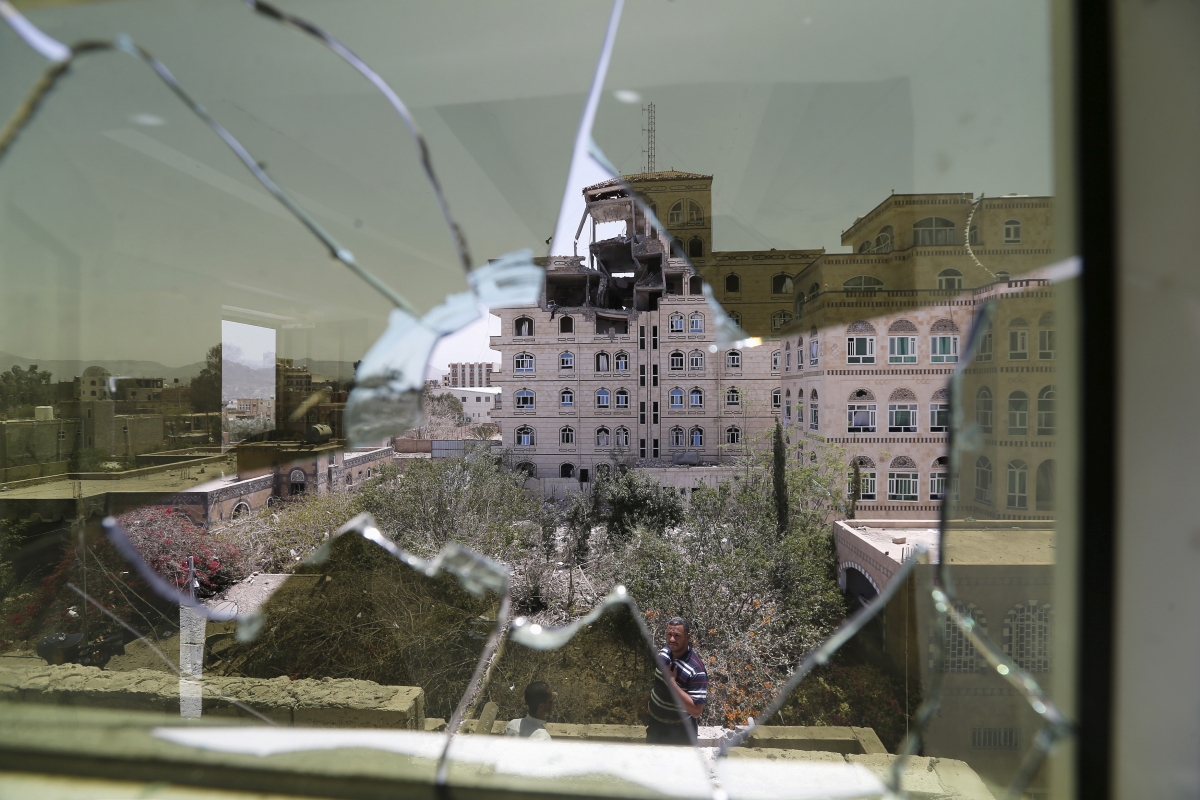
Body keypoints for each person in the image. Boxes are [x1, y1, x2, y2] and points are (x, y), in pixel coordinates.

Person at [646, 616, 708, 745]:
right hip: (655, 725)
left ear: (688, 637)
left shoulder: (696, 670)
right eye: (669, 634)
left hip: (680, 732)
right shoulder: (665, 652)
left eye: (677, 636)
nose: (672, 639)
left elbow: (696, 711)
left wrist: (672, 683)